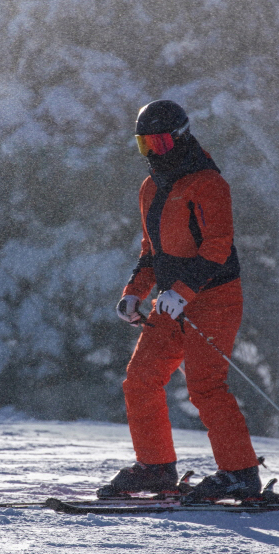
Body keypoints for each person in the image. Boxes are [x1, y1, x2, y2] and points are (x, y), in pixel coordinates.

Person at [99, 99, 261, 501]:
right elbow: (151, 250)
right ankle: (155, 468)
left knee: (205, 385)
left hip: (213, 298)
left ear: (181, 138)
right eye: (144, 145)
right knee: (141, 378)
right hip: (171, 300)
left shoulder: (207, 183)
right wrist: (134, 293)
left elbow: (219, 246)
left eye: (160, 144)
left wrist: (184, 292)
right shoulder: (150, 187)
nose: (153, 154)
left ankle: (240, 473)